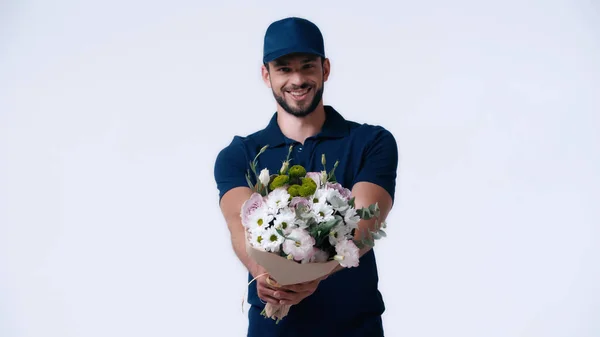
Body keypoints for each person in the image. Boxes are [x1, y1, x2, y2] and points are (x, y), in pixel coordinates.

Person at [214, 17, 398, 337]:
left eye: (307, 66)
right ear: (265, 74)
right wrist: (266, 274)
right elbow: (239, 223)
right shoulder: (240, 154)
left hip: (355, 329)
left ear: (325, 69)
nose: (297, 79)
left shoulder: (372, 142)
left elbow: (368, 221)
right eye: (284, 68)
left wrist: (316, 274)